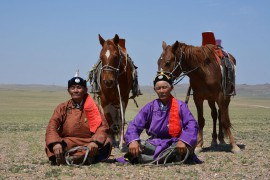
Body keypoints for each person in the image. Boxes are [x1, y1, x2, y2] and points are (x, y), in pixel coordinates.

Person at [122, 72, 200, 164]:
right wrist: (133, 141)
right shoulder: (149, 107)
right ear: (154, 90)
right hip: (154, 144)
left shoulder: (181, 106)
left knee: (184, 148)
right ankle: (170, 158)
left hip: (175, 144)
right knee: (140, 145)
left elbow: (192, 124)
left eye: (164, 87)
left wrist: (183, 140)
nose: (161, 91)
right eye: (158, 88)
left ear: (171, 88)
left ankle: (144, 159)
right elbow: (134, 125)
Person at [45, 72, 112, 166]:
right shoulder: (62, 107)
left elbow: (102, 126)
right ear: (68, 91)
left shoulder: (93, 107)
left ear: (85, 90)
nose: (75, 90)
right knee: (51, 146)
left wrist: (95, 141)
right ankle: (85, 158)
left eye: (79, 88)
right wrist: (56, 143)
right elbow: (52, 126)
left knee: (106, 142)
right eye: (73, 88)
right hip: (69, 141)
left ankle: (69, 159)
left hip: (88, 142)